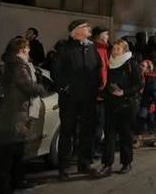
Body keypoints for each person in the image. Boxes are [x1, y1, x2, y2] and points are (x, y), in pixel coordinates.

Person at [53, 19, 102, 179]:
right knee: (67, 131)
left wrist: (97, 85)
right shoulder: (65, 48)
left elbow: (98, 67)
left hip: (88, 97)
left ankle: (84, 164)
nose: (89, 28)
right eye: (85, 27)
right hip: (70, 99)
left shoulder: (91, 47)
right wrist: (65, 87)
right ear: (76, 31)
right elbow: (56, 71)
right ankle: (64, 168)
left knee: (87, 131)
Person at [0, 37, 47, 194]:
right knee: (12, 151)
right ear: (21, 50)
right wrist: (40, 88)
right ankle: (8, 185)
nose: (29, 50)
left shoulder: (13, 64)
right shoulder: (17, 66)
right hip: (16, 113)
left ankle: (17, 181)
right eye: (27, 47)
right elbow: (28, 87)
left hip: (16, 111)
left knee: (17, 150)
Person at [96, 39, 143, 177]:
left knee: (125, 135)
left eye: (118, 49)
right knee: (109, 136)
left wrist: (124, 92)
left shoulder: (131, 64)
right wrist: (105, 92)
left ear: (124, 50)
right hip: (111, 104)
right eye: (114, 48)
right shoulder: (109, 64)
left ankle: (126, 163)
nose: (114, 51)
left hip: (126, 104)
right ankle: (107, 164)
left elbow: (139, 84)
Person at [92, 26, 111, 157]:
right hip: (97, 95)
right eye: (106, 34)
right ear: (99, 36)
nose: (108, 37)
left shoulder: (104, 49)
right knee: (97, 125)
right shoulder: (96, 50)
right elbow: (100, 72)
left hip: (103, 94)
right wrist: (102, 86)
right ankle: (93, 150)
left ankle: (96, 148)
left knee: (100, 124)